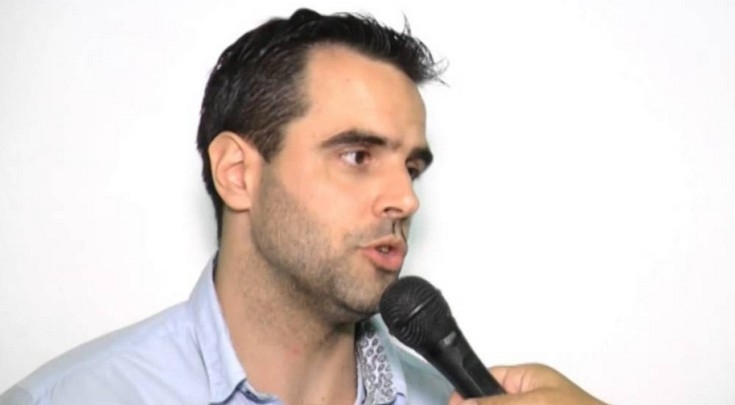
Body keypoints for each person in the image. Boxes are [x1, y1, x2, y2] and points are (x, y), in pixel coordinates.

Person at [0, 8, 607, 405]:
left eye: (412, 167)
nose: (406, 198)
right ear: (238, 174)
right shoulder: (74, 397)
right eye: (357, 155)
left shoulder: (446, 398)